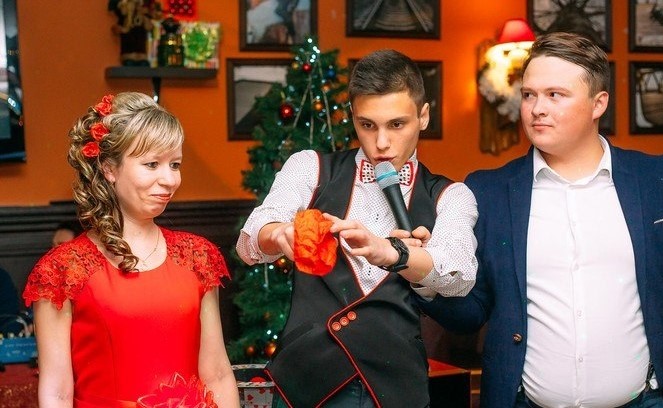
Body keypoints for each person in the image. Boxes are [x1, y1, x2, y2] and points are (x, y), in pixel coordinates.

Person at [419, 32, 663, 408]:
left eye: (555, 94)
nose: (537, 108)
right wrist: (424, 272)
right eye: (529, 95)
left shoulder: (661, 181)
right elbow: (471, 311)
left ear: (598, 103)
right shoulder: (488, 191)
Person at [236, 49, 478, 407]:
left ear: (424, 116)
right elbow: (253, 236)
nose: (381, 143)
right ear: (352, 117)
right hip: (307, 381)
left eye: (397, 125)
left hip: (395, 388)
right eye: (368, 125)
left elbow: (460, 276)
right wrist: (279, 234)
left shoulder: (451, 195)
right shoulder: (310, 167)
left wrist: (394, 253)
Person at [22, 92, 240, 407]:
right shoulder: (62, 270)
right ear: (109, 168)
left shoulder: (198, 257)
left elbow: (217, 374)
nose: (169, 179)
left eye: (175, 164)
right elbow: (56, 392)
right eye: (152, 164)